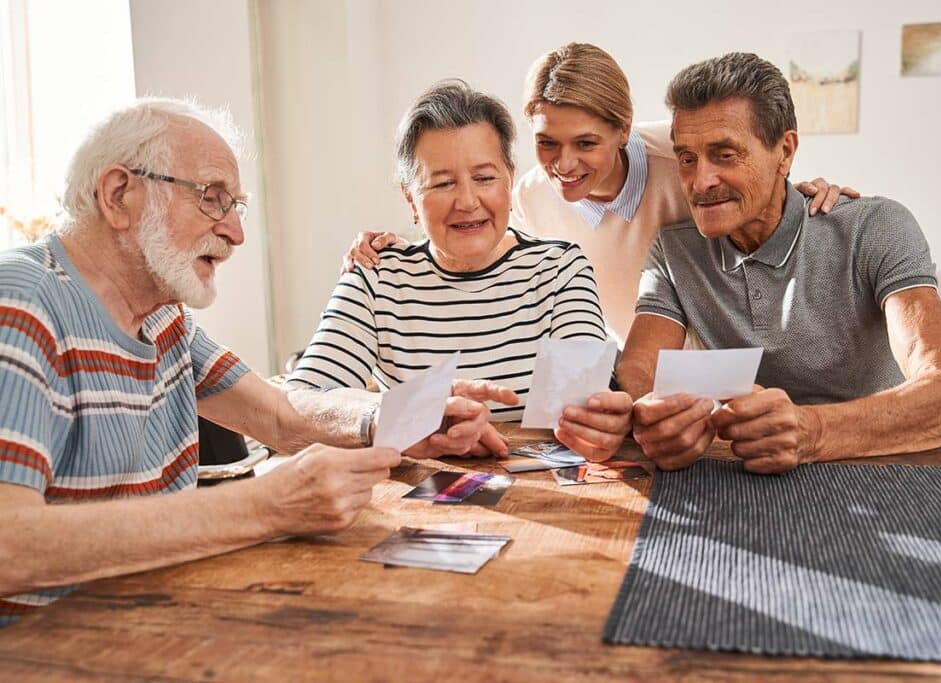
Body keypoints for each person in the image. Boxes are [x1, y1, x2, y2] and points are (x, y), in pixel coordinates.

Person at [0, 98, 508, 624]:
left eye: (235, 206)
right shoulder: (20, 303)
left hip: (153, 623)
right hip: (47, 650)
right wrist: (264, 506)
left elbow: (279, 415)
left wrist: (391, 420)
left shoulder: (161, 317)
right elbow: (7, 546)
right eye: (212, 198)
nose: (236, 233)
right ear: (119, 194)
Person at [345, 43, 856, 344]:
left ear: (623, 130)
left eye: (585, 143)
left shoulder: (678, 158)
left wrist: (815, 193)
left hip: (738, 368)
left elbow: (757, 182)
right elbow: (481, 248)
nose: (563, 165)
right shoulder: (529, 198)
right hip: (642, 388)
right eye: (546, 143)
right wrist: (401, 245)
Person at [617, 52, 941, 475]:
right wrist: (654, 415)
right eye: (687, 158)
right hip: (742, 476)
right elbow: (639, 366)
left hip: (881, 468)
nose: (700, 181)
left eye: (725, 155)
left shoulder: (875, 227)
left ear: (784, 152)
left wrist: (813, 431)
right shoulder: (674, 250)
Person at [288, 80, 633, 461]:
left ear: (509, 179)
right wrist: (410, 414)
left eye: (485, 178)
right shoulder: (375, 276)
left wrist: (603, 421)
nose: (468, 202)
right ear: (410, 199)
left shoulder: (560, 269)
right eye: (443, 183)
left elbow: (582, 407)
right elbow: (299, 404)